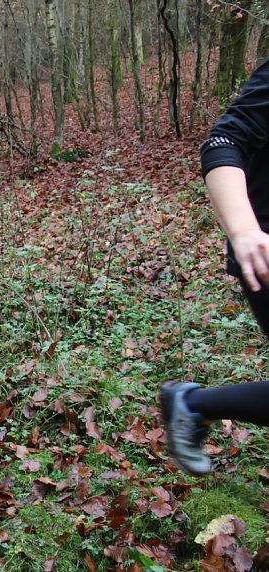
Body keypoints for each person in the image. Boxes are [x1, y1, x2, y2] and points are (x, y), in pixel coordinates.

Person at [160, 57, 269, 476]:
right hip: (262, 252)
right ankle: (191, 404)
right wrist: (243, 231)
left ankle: (190, 405)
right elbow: (222, 141)